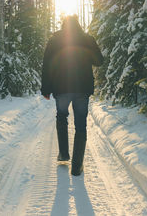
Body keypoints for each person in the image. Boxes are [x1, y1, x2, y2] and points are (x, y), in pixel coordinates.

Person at [41, 15, 103, 176]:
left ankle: (63, 154)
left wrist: (46, 89)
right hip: (82, 88)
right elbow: (99, 61)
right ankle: (77, 166)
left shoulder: (54, 40)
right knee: (81, 124)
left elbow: (47, 65)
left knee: (61, 117)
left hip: (61, 88)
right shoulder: (87, 39)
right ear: (78, 25)